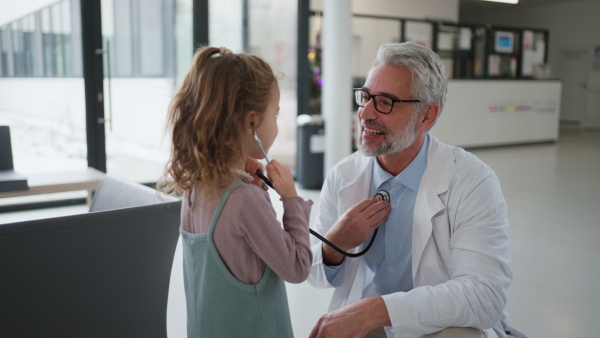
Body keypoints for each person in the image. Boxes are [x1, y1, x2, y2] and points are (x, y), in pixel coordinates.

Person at [307, 42, 526, 338]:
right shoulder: (343, 176)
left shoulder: (472, 181)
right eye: (365, 97)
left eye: (385, 102)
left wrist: (376, 310)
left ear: (427, 116)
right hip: (370, 327)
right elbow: (316, 276)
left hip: (439, 324)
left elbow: (484, 296)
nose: (365, 114)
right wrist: (335, 245)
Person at [159, 46, 312, 337]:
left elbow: (241, 252)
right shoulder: (244, 200)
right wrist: (292, 201)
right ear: (251, 121)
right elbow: (297, 267)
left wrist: (256, 189)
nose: (277, 125)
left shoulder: (195, 189)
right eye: (275, 115)